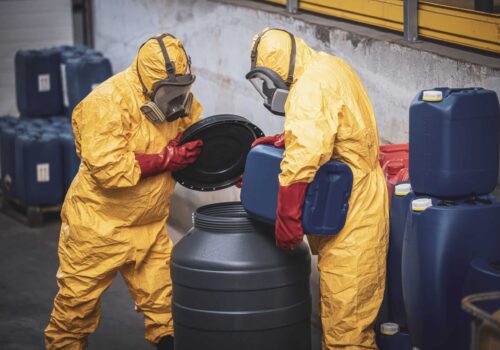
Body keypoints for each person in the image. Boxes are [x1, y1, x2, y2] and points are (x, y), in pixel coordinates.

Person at [44, 34, 204, 350]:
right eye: (169, 92)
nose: (178, 99)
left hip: (149, 225)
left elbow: (197, 131)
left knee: (168, 308)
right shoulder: (105, 104)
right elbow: (109, 169)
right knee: (76, 309)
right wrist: (166, 159)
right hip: (98, 227)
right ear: (148, 86)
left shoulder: (182, 104)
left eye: (183, 88)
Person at [246, 28, 389, 349]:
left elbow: (301, 162)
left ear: (277, 70)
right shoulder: (327, 66)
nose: (270, 91)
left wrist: (287, 218)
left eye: (268, 81)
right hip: (356, 197)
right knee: (343, 316)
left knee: (346, 330)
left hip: (352, 213)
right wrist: (288, 138)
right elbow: (332, 128)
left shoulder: (309, 90)